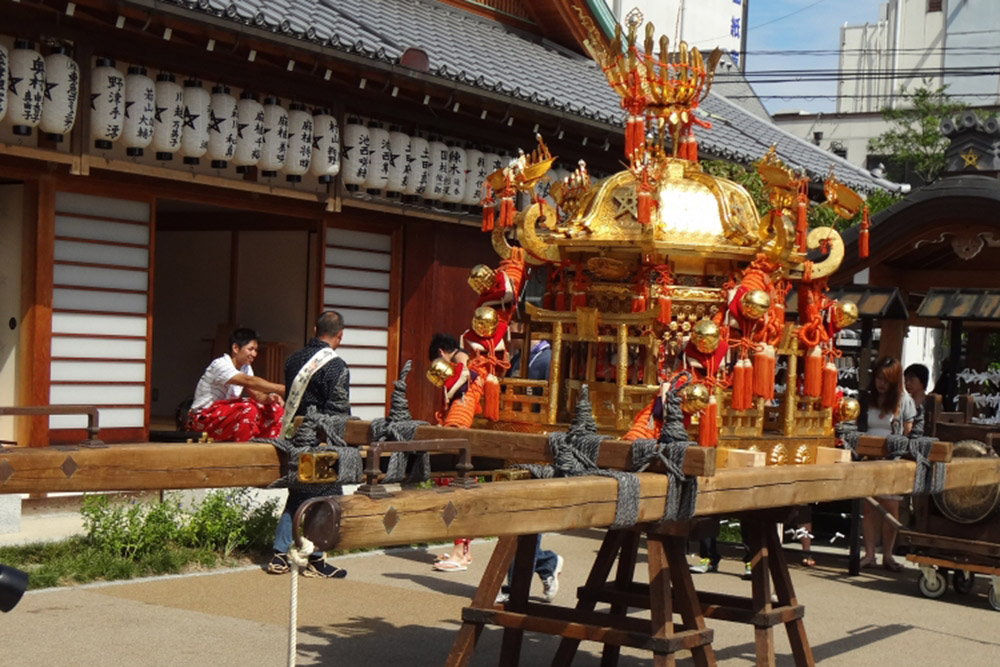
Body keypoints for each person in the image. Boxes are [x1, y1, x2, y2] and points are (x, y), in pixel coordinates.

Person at [267, 311, 349, 579]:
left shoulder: (293, 360)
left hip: (294, 437)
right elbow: (338, 411)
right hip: (320, 440)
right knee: (326, 496)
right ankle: (316, 557)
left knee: (297, 493)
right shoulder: (336, 366)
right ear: (340, 335)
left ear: (315, 329)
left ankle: (280, 553)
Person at [496, 336, 565, 603]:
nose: (509, 335)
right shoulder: (518, 358)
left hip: (538, 441)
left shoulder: (548, 359)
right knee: (513, 516)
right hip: (515, 436)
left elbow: (554, 402)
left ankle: (516, 585)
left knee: (526, 515)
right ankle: (545, 563)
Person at [860, 356, 914, 571]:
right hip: (868, 457)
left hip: (892, 458)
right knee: (868, 506)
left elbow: (909, 430)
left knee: (890, 507)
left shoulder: (903, 400)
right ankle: (869, 554)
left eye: (886, 380)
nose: (881, 383)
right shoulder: (867, 399)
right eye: (878, 378)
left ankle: (888, 555)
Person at [186, 328, 285, 441]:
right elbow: (249, 381)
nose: (254, 354)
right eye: (250, 349)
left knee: (275, 409)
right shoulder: (220, 364)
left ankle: (266, 445)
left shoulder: (246, 368)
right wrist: (282, 388)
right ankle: (244, 449)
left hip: (224, 416)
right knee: (248, 409)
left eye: (256, 350)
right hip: (203, 419)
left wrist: (270, 398)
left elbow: (257, 395)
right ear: (235, 348)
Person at [428, 333, 474, 572]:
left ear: (441, 353)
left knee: (453, 486)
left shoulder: (462, 367)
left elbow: (458, 389)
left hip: (459, 425)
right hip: (464, 425)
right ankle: (464, 551)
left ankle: (458, 552)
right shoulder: (466, 362)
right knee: (461, 486)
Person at [904, 363, 930, 437]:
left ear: (922, 381)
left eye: (911, 380)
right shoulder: (904, 401)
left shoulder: (930, 403)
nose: (907, 383)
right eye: (906, 380)